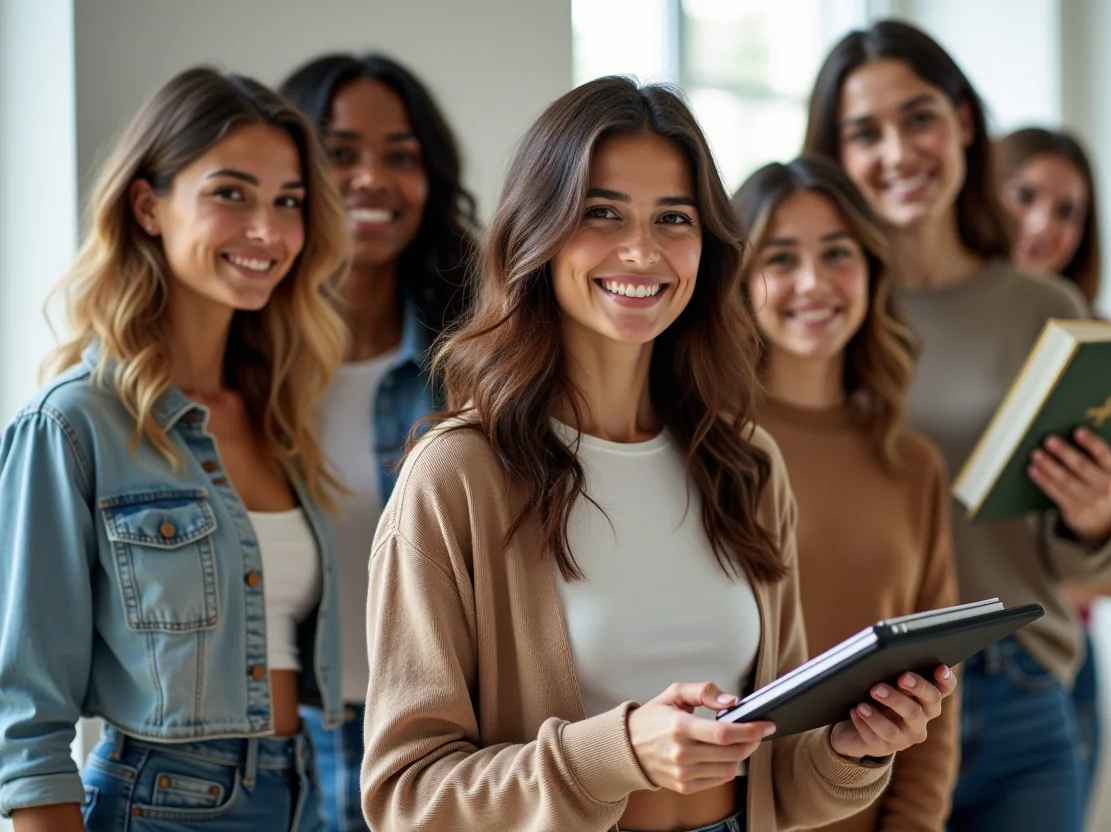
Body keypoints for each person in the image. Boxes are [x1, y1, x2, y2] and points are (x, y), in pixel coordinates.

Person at [360, 76, 957, 832]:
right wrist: (619, 753)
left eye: (673, 219)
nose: (641, 250)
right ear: (538, 232)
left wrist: (854, 748)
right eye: (601, 213)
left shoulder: (745, 466)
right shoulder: (459, 476)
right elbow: (405, 800)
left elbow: (783, 785)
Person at [803, 21, 1111, 832]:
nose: (897, 151)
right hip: (859, 699)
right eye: (864, 132)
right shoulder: (817, 309)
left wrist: (1097, 514)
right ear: (835, 156)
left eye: (918, 117)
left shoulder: (1043, 309)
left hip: (1019, 685)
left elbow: (1070, 549)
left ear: (962, 122)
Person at [0, 67, 350, 832]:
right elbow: (24, 718)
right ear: (148, 205)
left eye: (287, 202)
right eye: (231, 193)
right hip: (161, 806)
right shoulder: (70, 425)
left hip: (306, 795)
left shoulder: (277, 414)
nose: (268, 230)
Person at [280, 53, 478, 832]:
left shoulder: (475, 358)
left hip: (442, 743)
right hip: (276, 750)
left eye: (400, 156)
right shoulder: (238, 370)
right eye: (339, 154)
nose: (371, 179)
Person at [734, 154, 960, 832]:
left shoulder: (911, 463)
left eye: (838, 254)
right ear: (739, 282)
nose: (813, 283)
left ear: (870, 272)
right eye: (780, 259)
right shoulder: (702, 449)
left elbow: (938, 683)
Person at [997, 126, 1111, 806]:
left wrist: (1088, 551)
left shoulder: (1109, 355)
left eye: (1069, 210)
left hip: (1051, 660)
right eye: (1025, 195)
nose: (1043, 223)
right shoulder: (908, 329)